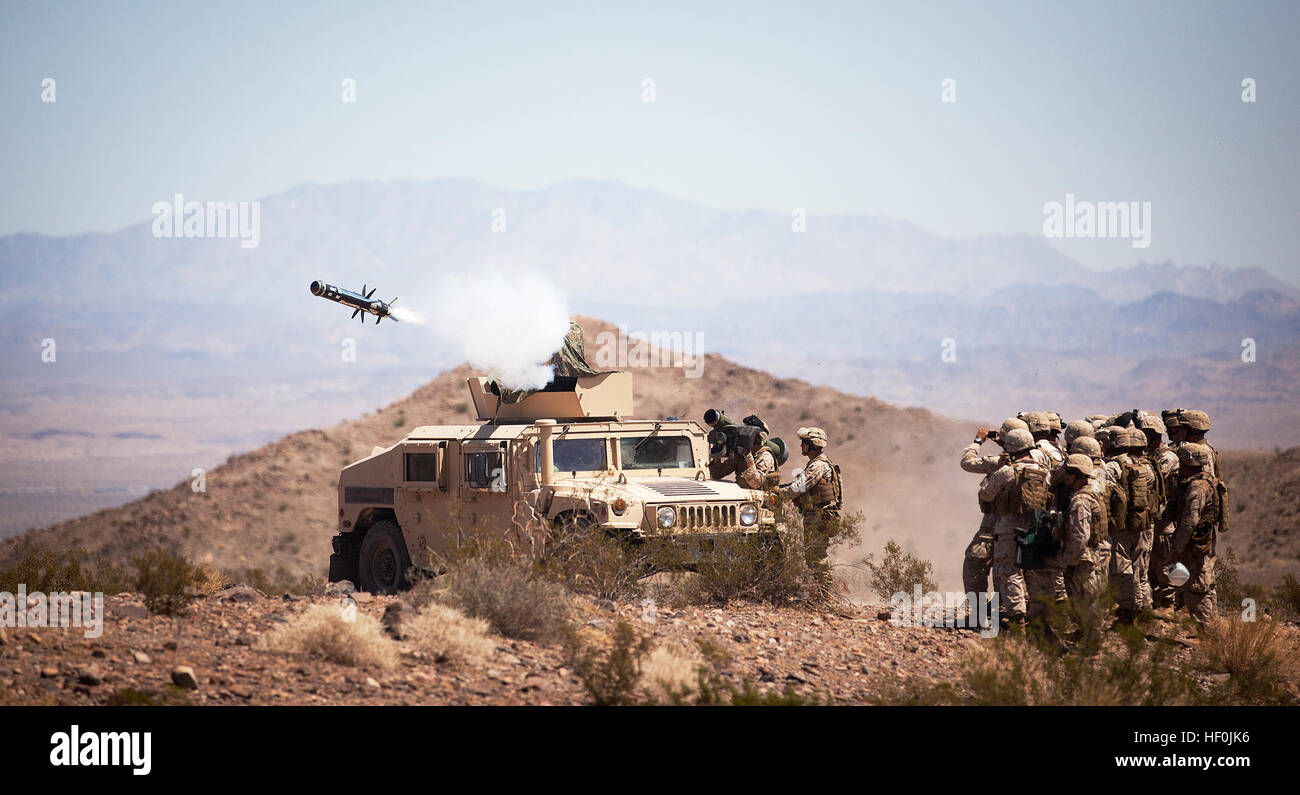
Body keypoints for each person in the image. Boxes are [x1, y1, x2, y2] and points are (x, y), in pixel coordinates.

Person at [978, 428, 1049, 628]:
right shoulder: (1044, 471)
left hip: (1009, 528)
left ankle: (1018, 618)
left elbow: (986, 494)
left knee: (1009, 571)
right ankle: (1039, 617)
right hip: (1036, 527)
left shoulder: (1007, 471)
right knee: (1032, 570)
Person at [960, 417, 1028, 600]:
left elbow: (967, 462)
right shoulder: (1042, 460)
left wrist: (977, 441)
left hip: (997, 524)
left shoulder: (1000, 463)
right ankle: (1013, 609)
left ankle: (978, 613)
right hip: (1029, 525)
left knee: (975, 561)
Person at [1170, 444, 1223, 623]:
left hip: (1195, 544)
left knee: (1197, 586)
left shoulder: (1197, 488)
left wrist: (1176, 548)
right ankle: (1211, 627)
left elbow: (1189, 521)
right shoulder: (1207, 481)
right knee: (1207, 583)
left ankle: (1206, 630)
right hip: (1204, 540)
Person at [778, 427, 842, 572]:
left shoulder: (818, 466)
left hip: (817, 516)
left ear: (813, 444)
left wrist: (777, 495)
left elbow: (798, 488)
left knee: (817, 557)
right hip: (815, 515)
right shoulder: (815, 463)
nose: (801, 446)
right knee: (812, 556)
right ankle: (819, 591)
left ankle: (824, 593)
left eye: (804, 442)